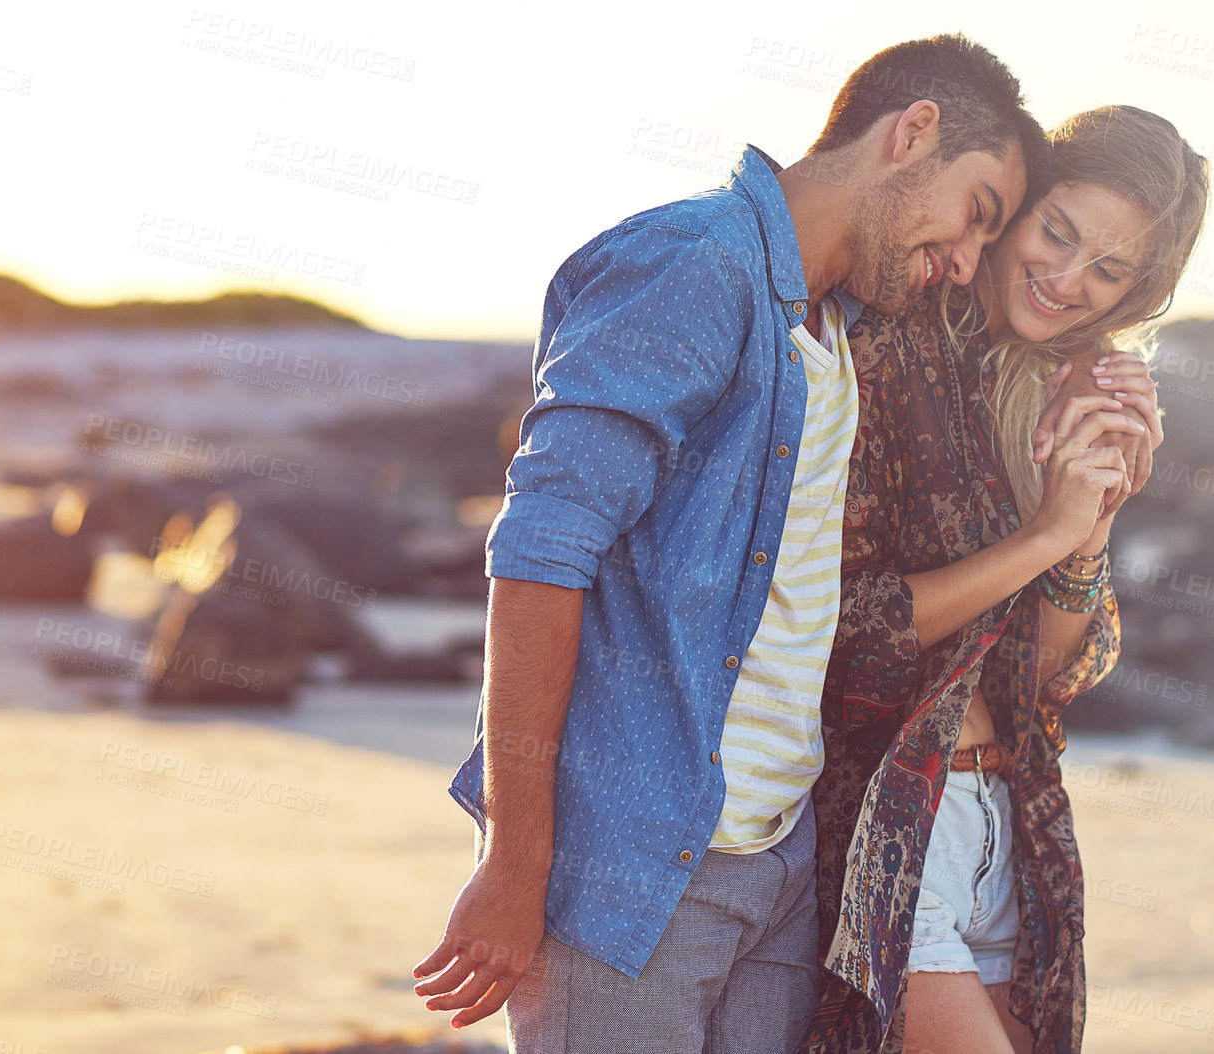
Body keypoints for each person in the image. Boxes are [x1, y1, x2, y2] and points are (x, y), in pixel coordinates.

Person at [413, 35, 1053, 1054]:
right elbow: (539, 549)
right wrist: (515, 856)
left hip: (779, 867)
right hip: (637, 871)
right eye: (973, 213)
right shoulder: (695, 262)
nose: (964, 261)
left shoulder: (836, 333)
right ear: (912, 131)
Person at [799, 105, 1211, 1054]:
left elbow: (1039, 682)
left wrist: (1088, 519)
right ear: (1017, 201)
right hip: (890, 822)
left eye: (1107, 272)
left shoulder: (1053, 389)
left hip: (1013, 826)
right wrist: (1044, 534)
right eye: (1055, 233)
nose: (1066, 281)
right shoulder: (880, 350)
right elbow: (839, 637)